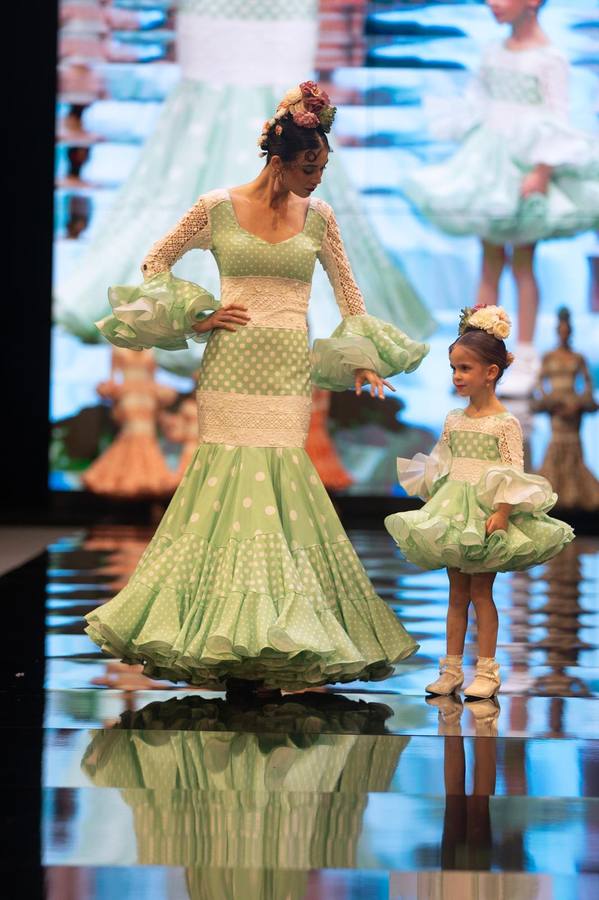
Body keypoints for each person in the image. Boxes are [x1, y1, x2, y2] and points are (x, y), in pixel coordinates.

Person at [84, 81, 429, 691]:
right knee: (225, 481)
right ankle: (216, 626)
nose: (317, 178)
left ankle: (282, 625)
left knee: (281, 482)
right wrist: (198, 315)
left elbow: (350, 297)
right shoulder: (217, 207)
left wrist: (363, 361)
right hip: (229, 368)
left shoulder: (319, 217)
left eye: (322, 166)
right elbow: (155, 262)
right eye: (308, 166)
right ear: (279, 158)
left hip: (287, 371)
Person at [402, 0, 599, 396]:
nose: (494, 4)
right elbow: (478, 100)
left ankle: (524, 354)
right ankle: (477, 350)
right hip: (488, 164)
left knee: (523, 261)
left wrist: (542, 168)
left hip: (522, 163)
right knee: (490, 259)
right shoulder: (494, 52)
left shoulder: (550, 58)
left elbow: (557, 115)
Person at [385, 304, 573, 699]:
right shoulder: (454, 418)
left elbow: (512, 473)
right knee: (457, 594)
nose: (457, 376)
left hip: (485, 513)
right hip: (454, 510)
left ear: (491, 372)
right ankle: (451, 668)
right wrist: (434, 497)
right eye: (453, 368)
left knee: (481, 594)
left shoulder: (504, 423)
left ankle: (487, 670)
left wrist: (502, 512)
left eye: (465, 369)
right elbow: (442, 460)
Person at [532, 307, 599, 511]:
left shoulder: (578, 357)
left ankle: (577, 491)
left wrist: (579, 402)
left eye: (566, 331)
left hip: (573, 406)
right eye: (561, 331)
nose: (564, 334)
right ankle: (554, 489)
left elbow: (588, 383)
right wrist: (549, 401)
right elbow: (539, 383)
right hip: (557, 406)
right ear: (557, 331)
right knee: (557, 442)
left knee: (573, 445)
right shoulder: (549, 357)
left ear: (570, 332)